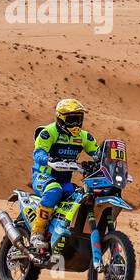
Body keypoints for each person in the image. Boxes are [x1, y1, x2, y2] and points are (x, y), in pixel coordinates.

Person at [29, 98, 99, 251]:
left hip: (64, 181)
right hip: (43, 177)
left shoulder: (84, 137)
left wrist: (105, 161)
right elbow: (38, 152)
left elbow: (97, 153)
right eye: (71, 119)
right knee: (54, 190)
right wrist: (47, 159)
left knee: (79, 197)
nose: (75, 124)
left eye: (78, 119)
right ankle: (37, 232)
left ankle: (65, 232)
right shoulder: (49, 133)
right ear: (61, 118)